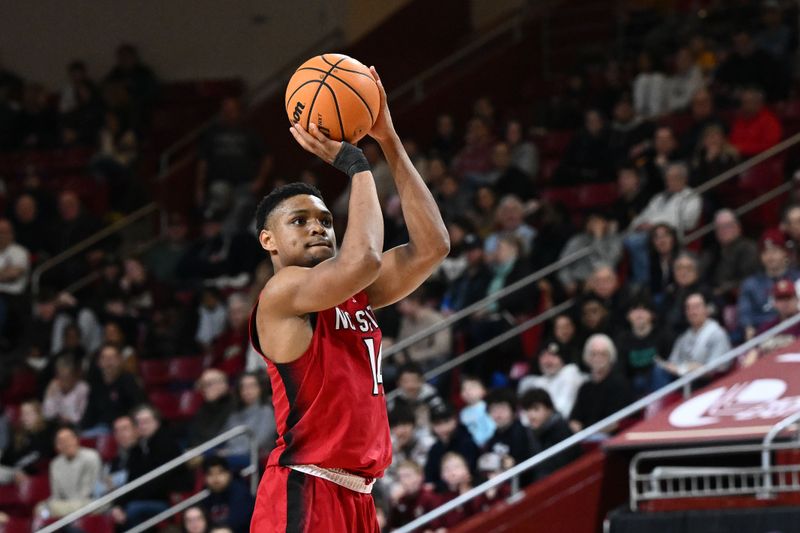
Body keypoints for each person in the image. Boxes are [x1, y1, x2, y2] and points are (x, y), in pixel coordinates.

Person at [248, 67, 449, 532]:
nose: (318, 226)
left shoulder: (354, 294)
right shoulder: (283, 293)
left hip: (357, 496)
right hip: (304, 488)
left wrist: (390, 140)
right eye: (299, 221)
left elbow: (433, 246)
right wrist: (357, 165)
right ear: (268, 241)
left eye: (324, 219)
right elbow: (363, 260)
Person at [625, 162, 702, 283]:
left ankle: (644, 281)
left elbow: (689, 221)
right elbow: (644, 215)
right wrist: (638, 225)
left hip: (672, 234)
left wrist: (655, 225)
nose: (669, 182)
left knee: (633, 242)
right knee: (624, 239)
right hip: (649, 232)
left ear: (684, 179)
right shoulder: (659, 197)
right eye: (668, 178)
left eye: (674, 178)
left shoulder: (691, 197)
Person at [111, 405, 186, 529]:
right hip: (143, 499)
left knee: (134, 509)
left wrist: (128, 503)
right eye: (138, 422)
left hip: (166, 500)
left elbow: (162, 482)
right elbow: (131, 481)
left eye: (146, 421)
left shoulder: (167, 443)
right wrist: (118, 505)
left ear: (156, 422)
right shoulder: (137, 449)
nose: (142, 426)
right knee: (118, 512)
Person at [738, 229, 800, 340]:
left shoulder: (797, 278)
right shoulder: (751, 284)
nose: (770, 257)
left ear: (784, 252)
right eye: (765, 253)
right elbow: (745, 315)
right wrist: (748, 327)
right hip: (765, 335)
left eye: (775, 251)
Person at [657, 292, 732, 381]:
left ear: (706, 309)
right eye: (689, 308)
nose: (692, 312)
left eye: (696, 307)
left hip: (711, 384)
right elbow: (672, 364)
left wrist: (691, 368)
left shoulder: (717, 333)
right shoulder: (683, 337)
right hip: (684, 383)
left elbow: (715, 369)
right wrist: (689, 367)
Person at [569, 334, 632, 434]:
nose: (597, 358)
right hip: (584, 438)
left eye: (603, 354)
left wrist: (588, 433)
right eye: (593, 354)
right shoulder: (585, 388)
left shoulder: (620, 385)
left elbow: (616, 423)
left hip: (609, 439)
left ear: (610, 357)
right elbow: (575, 419)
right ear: (587, 357)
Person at [36, 426, 101, 519]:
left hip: (88, 503)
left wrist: (57, 507)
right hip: (65, 506)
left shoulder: (91, 457)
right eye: (62, 441)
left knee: (55, 508)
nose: (67, 443)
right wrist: (47, 507)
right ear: (57, 446)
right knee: (40, 508)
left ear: (76, 440)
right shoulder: (55, 464)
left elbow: (86, 493)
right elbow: (56, 495)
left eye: (69, 439)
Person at [216, 372, 276, 470]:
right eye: (243, 387)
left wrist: (229, 453)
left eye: (252, 386)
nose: (247, 390)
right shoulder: (235, 414)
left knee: (215, 461)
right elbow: (221, 438)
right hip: (231, 455)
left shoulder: (267, 412)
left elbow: (260, 442)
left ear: (260, 388)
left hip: (254, 458)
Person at [81, 344, 145, 434]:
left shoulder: (128, 381)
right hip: (100, 428)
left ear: (120, 360)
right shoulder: (96, 385)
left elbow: (138, 408)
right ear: (99, 362)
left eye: (112, 358)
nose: (109, 362)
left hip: (123, 428)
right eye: (105, 358)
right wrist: (79, 430)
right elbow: (90, 413)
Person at [557, 210, 622, 296]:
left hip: (604, 281)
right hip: (580, 282)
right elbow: (563, 265)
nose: (594, 225)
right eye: (591, 221)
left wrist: (598, 238)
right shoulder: (577, 240)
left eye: (597, 221)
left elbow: (609, 262)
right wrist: (567, 281)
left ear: (606, 223)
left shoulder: (614, 240)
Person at [701, 209, 760, 303]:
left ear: (738, 227)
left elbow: (749, 278)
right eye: (720, 227)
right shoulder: (712, 253)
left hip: (740, 298)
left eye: (728, 226)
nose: (724, 230)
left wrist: (723, 289)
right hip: (715, 298)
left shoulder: (748, 248)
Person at [615, 299, 670, 397]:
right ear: (628, 316)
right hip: (633, 390)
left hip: (659, 386)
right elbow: (621, 371)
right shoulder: (622, 340)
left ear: (652, 314)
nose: (639, 314)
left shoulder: (664, 336)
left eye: (644, 309)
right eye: (635, 310)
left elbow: (670, 364)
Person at [520, 388, 581, 477]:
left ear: (549, 409)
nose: (531, 415)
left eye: (536, 409)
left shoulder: (562, 430)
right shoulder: (530, 433)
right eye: (527, 410)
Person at [517, 343, 586, 418]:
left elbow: (563, 410)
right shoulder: (538, 382)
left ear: (562, 359)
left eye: (553, 356)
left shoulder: (570, 373)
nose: (548, 361)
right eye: (544, 356)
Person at [423, 404, 480, 492]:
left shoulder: (466, 442)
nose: (443, 427)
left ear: (455, 420)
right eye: (438, 423)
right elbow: (429, 478)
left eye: (446, 421)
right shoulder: (435, 449)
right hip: (443, 494)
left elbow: (471, 470)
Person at [395, 289, 452, 372]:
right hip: (409, 363)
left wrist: (415, 356)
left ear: (415, 302)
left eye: (401, 304)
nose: (398, 308)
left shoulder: (436, 319)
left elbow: (442, 348)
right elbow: (400, 343)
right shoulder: (405, 320)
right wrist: (399, 356)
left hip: (429, 363)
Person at [485, 389, 539, 469]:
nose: (498, 414)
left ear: (513, 410)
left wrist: (514, 463)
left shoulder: (526, 433)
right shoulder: (492, 440)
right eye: (493, 410)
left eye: (502, 408)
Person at [202, 456, 255, 533]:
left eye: (220, 473)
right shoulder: (207, 498)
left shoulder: (241, 493)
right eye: (210, 474)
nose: (215, 478)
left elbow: (237, 523)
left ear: (229, 474)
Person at [0, 218, 30, 347]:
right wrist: (4, 271)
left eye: (5, 232)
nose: (2, 236)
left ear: (12, 234)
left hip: (13, 296)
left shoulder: (20, 252)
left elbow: (13, 276)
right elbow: (6, 274)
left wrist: (7, 273)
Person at [187, 369, 235, 448]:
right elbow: (193, 436)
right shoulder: (204, 407)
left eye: (208, 384)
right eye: (202, 385)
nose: (204, 389)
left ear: (223, 384)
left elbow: (217, 437)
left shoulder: (233, 406)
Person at [729, 87, 783, 157]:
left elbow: (770, 147)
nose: (744, 106)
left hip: (759, 162)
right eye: (743, 102)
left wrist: (742, 148)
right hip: (738, 158)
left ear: (759, 103)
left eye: (748, 102)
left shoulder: (770, 122)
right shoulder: (740, 119)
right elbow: (733, 140)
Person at [42, 356, 89, 425]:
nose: (63, 381)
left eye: (67, 377)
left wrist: (67, 418)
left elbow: (81, 416)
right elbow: (47, 414)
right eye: (60, 376)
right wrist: (49, 393)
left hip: (76, 426)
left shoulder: (83, 388)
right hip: (55, 425)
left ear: (74, 376)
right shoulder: (54, 386)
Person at [459, 375, 496, 448]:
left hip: (491, 440)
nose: (468, 391)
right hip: (474, 446)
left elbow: (493, 425)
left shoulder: (487, 406)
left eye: (472, 388)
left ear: (483, 391)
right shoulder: (462, 413)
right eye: (464, 389)